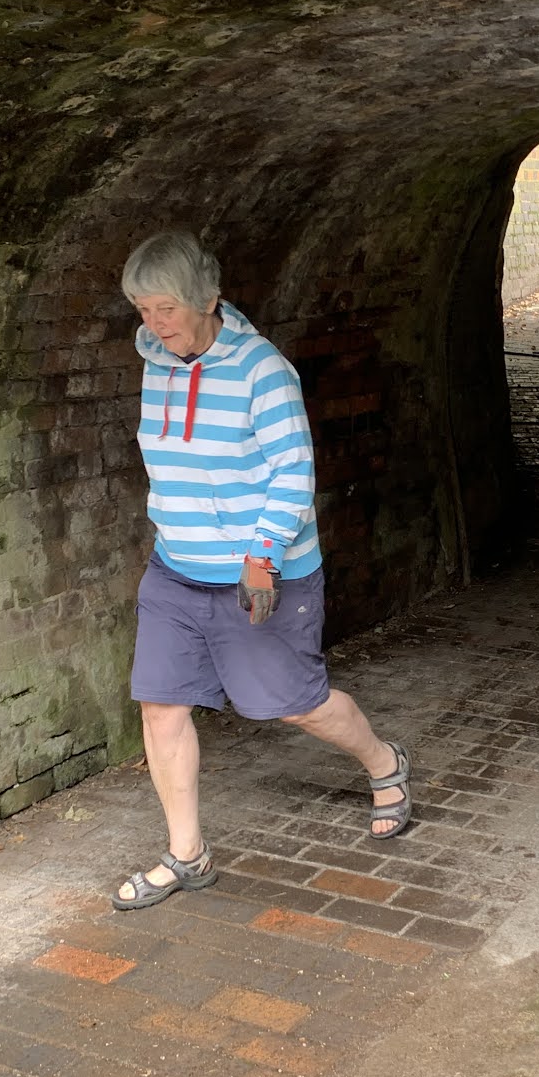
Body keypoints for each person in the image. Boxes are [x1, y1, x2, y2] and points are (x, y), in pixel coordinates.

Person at [111, 230, 411, 911]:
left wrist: (260, 560)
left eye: (165, 310)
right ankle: (187, 855)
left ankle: (384, 762)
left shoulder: (262, 372)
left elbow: (292, 475)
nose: (152, 326)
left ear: (210, 301)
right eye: (142, 310)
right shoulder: (155, 354)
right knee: (161, 707)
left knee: (295, 705)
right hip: (176, 569)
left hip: (258, 572)